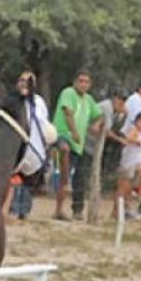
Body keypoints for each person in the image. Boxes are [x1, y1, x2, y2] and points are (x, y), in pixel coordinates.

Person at [52, 70, 104, 221]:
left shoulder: (88, 100)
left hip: (78, 143)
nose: (83, 84)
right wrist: (74, 132)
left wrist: (95, 124)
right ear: (75, 82)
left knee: (77, 175)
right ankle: (64, 188)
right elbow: (68, 112)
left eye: (86, 82)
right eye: (81, 81)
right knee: (64, 149)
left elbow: (99, 115)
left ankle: (67, 209)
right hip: (63, 134)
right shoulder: (68, 93)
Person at [8, 71, 51, 220]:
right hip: (16, 142)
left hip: (34, 143)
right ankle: (12, 208)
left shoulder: (39, 101)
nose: (24, 84)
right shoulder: (12, 100)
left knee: (29, 176)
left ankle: (24, 210)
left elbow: (43, 121)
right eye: (22, 80)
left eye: (28, 81)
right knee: (14, 176)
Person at [116, 112, 141, 219]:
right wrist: (137, 141)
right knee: (124, 188)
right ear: (136, 121)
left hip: (137, 161)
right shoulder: (133, 130)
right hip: (129, 162)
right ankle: (119, 211)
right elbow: (128, 138)